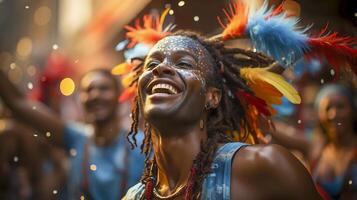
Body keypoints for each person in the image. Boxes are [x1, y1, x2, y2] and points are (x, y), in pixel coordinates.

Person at [121, 31, 321, 199]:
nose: (161, 68)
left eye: (184, 64)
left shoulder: (266, 167)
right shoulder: (133, 197)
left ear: (212, 97)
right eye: (151, 64)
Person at [0, 68, 145, 200]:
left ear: (119, 96)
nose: (95, 95)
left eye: (104, 88)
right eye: (88, 90)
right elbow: (17, 103)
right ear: (80, 99)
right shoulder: (77, 138)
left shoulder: (143, 145)